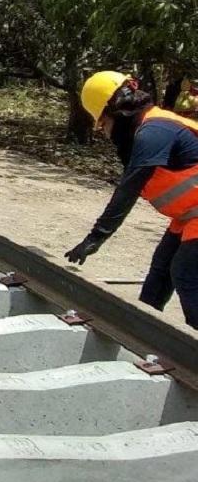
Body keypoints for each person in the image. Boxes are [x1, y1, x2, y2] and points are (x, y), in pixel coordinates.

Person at [65, 71, 198, 328]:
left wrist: (96, 236)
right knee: (162, 268)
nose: (104, 132)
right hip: (189, 216)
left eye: (102, 124)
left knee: (185, 272)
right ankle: (142, 333)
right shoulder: (150, 129)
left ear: (115, 112)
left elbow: (129, 189)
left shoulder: (153, 132)